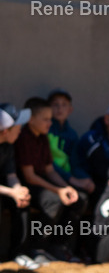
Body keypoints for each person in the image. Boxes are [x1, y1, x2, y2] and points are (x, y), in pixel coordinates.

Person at [14, 96, 87, 261]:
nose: (50, 123)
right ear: (31, 119)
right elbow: (30, 177)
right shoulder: (24, 137)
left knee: (79, 199)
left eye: (50, 119)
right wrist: (58, 190)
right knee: (53, 201)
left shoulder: (43, 137)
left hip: (43, 182)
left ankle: (57, 245)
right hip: (27, 184)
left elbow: (50, 170)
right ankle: (36, 248)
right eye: (45, 119)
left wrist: (66, 188)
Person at [0, 103, 36, 269]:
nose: (21, 130)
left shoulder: (8, 146)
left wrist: (18, 190)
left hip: (4, 190)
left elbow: (11, 175)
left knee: (22, 203)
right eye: (17, 127)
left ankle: (18, 253)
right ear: (5, 131)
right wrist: (12, 192)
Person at [47, 89, 95, 197]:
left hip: (67, 178)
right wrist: (71, 180)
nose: (60, 109)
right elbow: (46, 163)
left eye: (64, 105)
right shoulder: (45, 130)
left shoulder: (72, 134)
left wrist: (85, 178)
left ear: (70, 109)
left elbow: (75, 163)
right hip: (50, 177)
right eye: (55, 105)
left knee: (83, 196)